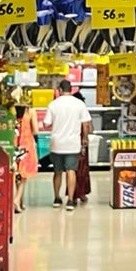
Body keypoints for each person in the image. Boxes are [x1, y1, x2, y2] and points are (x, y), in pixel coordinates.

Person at [45, 79, 92, 212]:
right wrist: (84, 138)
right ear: (71, 89)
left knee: (57, 172)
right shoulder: (79, 104)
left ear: (59, 90)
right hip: (72, 143)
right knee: (71, 171)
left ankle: (56, 198)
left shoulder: (53, 104)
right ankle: (70, 200)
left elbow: (46, 123)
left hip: (57, 143)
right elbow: (86, 123)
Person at [13, 104, 38, 213]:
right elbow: (36, 130)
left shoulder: (12, 110)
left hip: (14, 144)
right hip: (26, 145)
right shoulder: (31, 111)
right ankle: (17, 199)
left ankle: (21, 203)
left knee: (17, 173)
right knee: (24, 175)